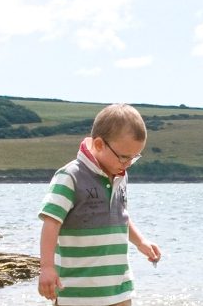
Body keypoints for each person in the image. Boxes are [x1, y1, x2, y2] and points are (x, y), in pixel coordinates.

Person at [37, 104, 164, 306]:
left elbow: (119, 216)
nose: (128, 163)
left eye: (134, 157)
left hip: (118, 290)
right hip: (78, 293)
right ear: (98, 144)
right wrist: (47, 268)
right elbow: (51, 223)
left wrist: (140, 242)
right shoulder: (70, 176)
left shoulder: (121, 176)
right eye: (124, 156)